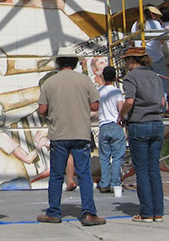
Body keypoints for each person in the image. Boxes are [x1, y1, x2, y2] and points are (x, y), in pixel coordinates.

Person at [36, 46, 105, 227]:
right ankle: (89, 213)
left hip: (59, 133)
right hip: (81, 133)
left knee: (56, 175)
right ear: (75, 62)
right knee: (84, 174)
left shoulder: (49, 82)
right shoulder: (85, 80)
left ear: (58, 62)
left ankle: (53, 212)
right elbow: (95, 106)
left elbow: (42, 110)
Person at [117, 47, 165, 223]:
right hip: (157, 123)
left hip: (139, 123)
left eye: (126, 60)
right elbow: (162, 102)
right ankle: (158, 212)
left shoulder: (131, 77)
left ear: (132, 60)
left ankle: (146, 212)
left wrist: (121, 115)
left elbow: (130, 101)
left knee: (142, 170)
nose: (125, 63)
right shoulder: (155, 76)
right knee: (154, 170)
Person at [131, 5, 169, 115]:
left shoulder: (135, 25)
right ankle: (161, 109)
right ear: (152, 14)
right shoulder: (154, 23)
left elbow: (131, 41)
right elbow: (162, 39)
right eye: (156, 15)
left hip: (141, 58)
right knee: (160, 84)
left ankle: (145, 108)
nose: (157, 17)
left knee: (143, 84)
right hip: (155, 57)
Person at [95, 65, 126, 195]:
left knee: (104, 157)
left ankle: (104, 183)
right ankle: (115, 183)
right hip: (115, 124)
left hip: (103, 126)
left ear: (103, 76)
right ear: (115, 77)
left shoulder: (98, 91)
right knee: (117, 156)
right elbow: (120, 108)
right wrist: (122, 118)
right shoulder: (116, 91)